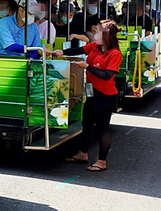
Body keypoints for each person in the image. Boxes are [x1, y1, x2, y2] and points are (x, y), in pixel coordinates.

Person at [53, 20, 123, 172]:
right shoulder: (95, 47)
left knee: (103, 128)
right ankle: (82, 154)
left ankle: (102, 161)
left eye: (97, 33)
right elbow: (80, 51)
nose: (94, 35)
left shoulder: (114, 54)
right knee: (87, 124)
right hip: (92, 92)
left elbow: (106, 75)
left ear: (107, 36)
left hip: (106, 95)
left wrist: (87, 67)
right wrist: (61, 52)